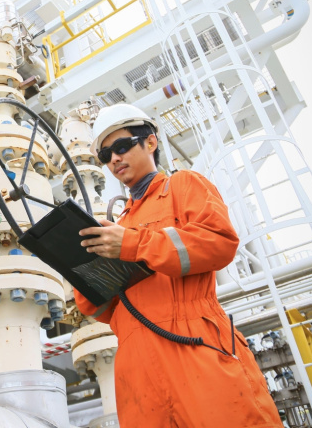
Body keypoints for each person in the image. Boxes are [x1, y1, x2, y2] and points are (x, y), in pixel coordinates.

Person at [74, 103, 281, 427]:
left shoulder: (182, 186)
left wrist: (133, 244)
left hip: (193, 346)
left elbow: (219, 242)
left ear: (150, 142)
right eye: (105, 154)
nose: (114, 159)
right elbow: (106, 311)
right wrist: (80, 269)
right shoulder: (119, 226)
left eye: (122, 146)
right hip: (136, 371)